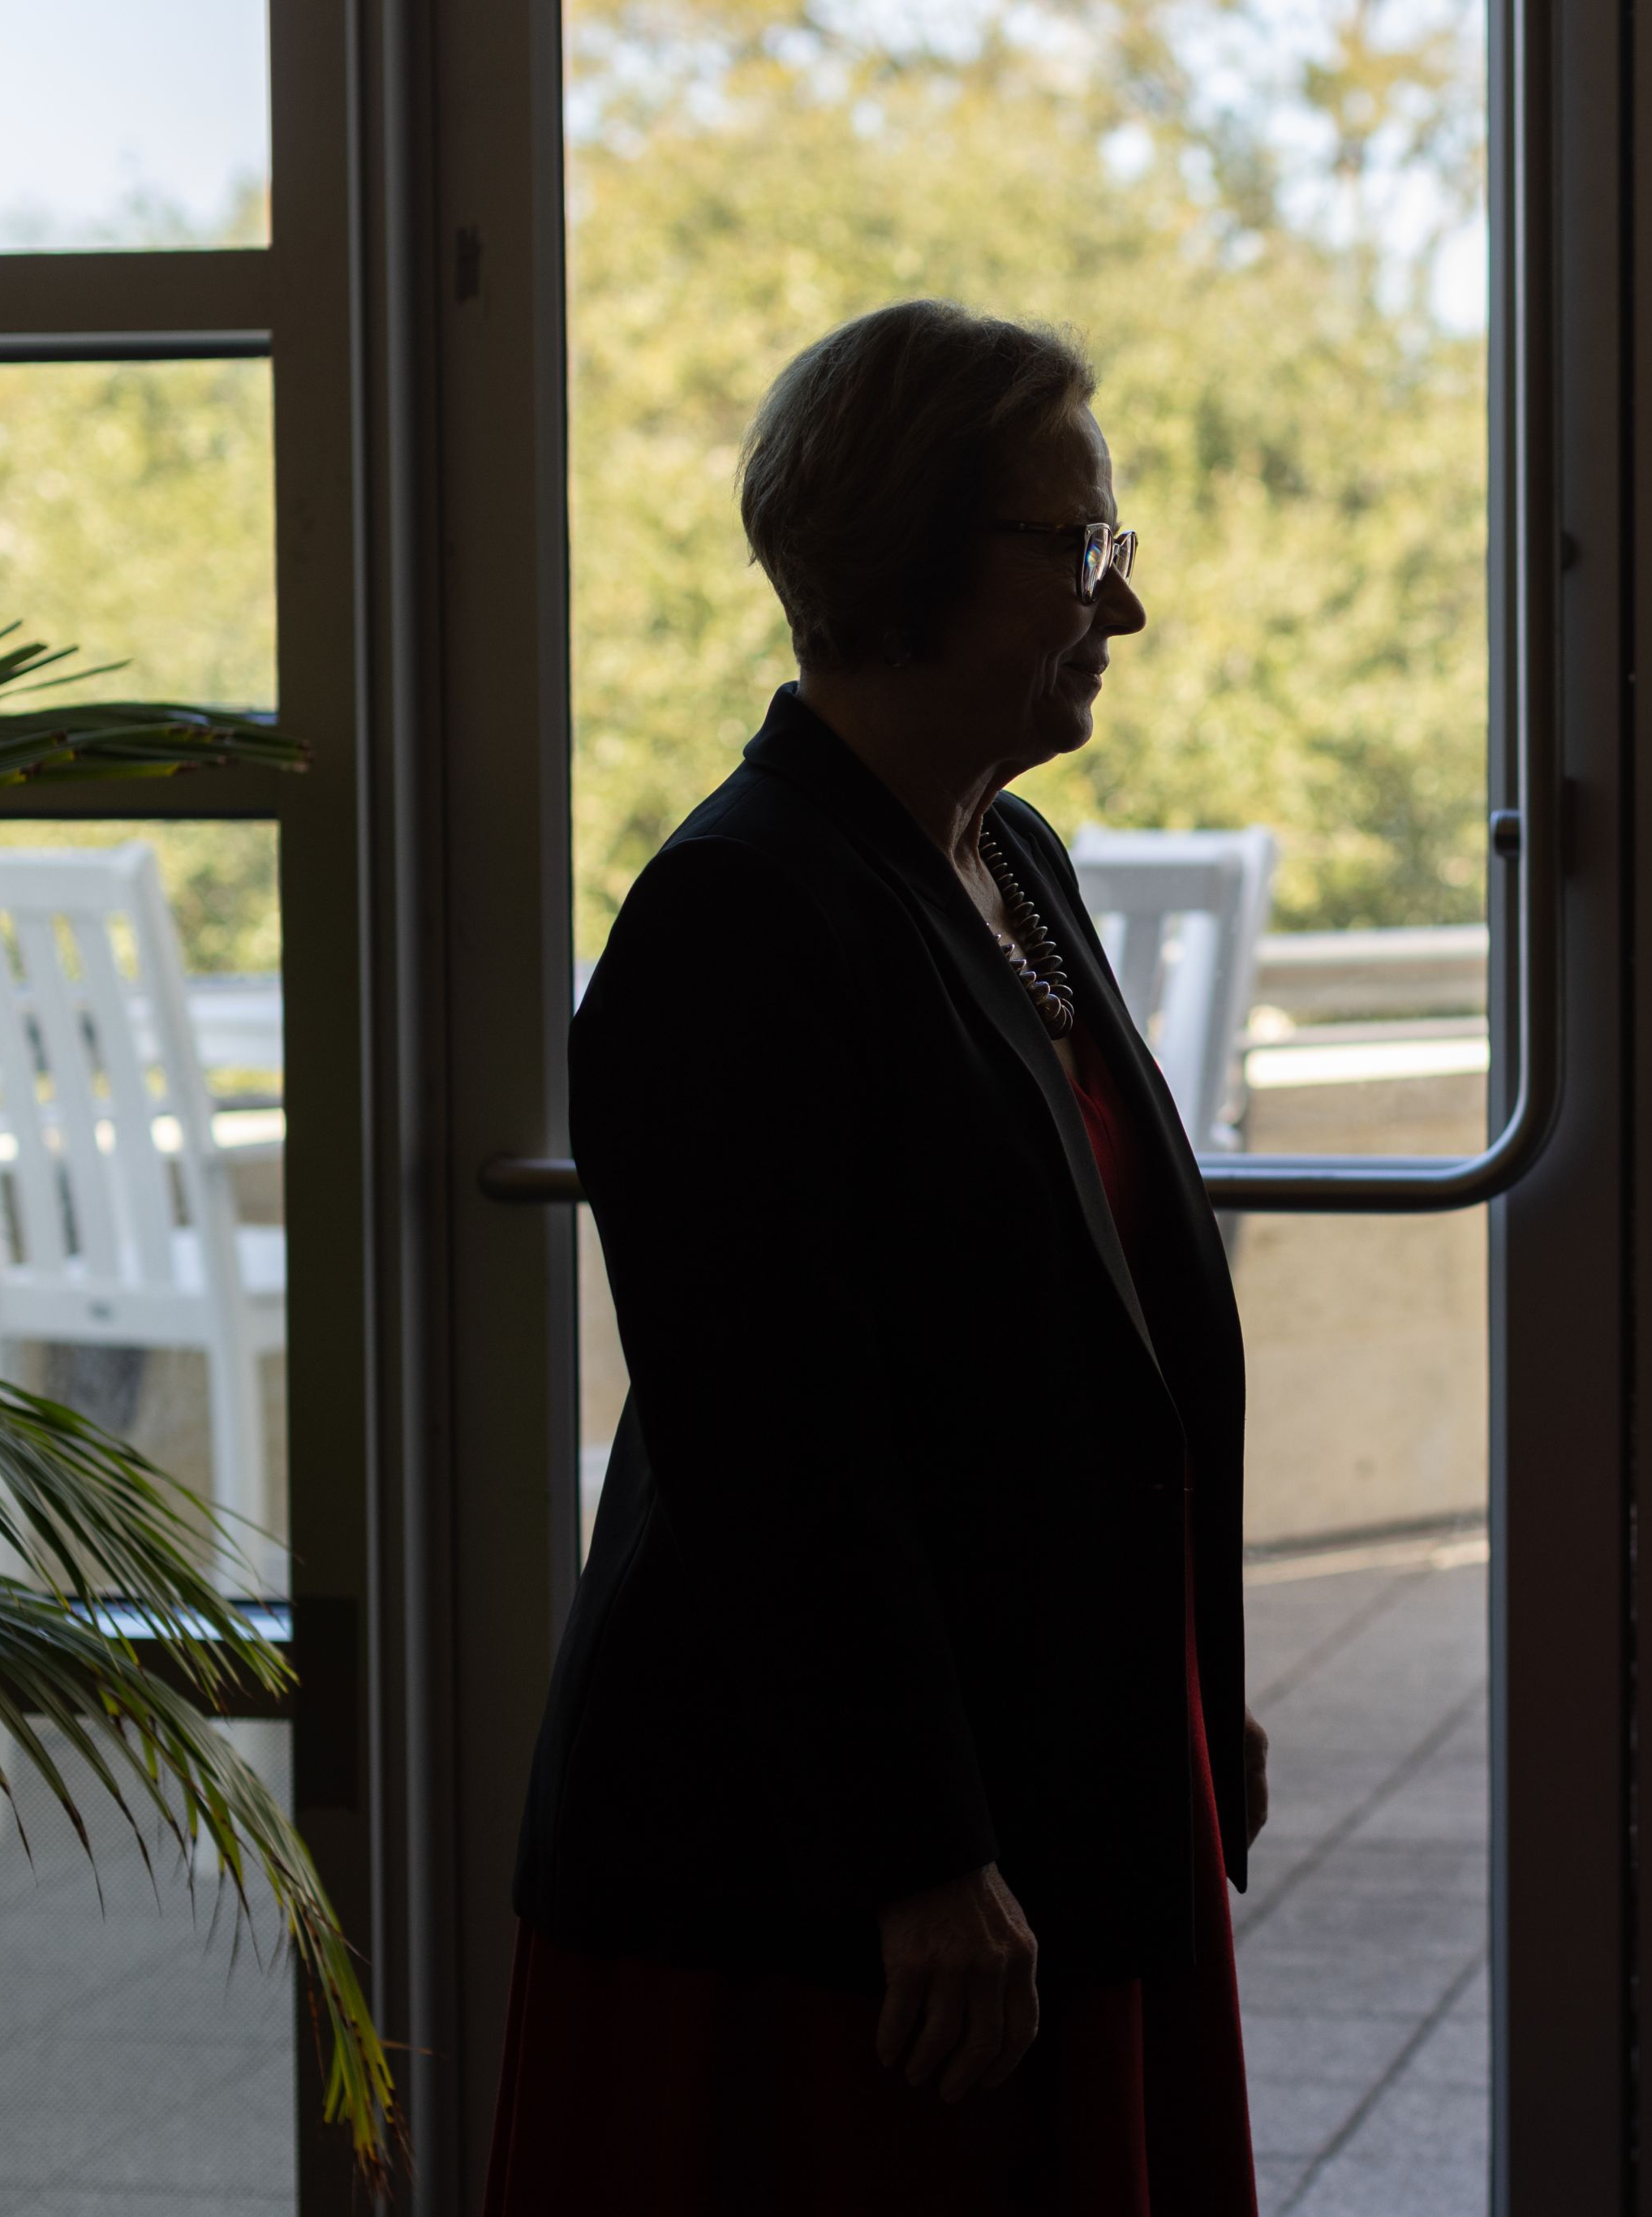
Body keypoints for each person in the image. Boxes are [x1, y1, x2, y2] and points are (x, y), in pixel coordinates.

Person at [485, 300, 1263, 2217]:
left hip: (1056, 1763)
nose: (1122, 605)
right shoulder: (737, 914)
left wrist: (1201, 1684)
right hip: (811, 1870)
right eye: (1080, 548)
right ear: (911, 551)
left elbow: (1118, 1318)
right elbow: (773, 1450)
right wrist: (917, 1855)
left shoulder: (1014, 865)